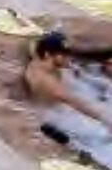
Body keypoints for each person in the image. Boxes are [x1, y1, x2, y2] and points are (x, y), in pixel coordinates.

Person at [27, 32, 112, 164]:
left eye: (68, 53)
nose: (68, 58)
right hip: (58, 115)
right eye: (63, 55)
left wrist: (79, 73)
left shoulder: (42, 57)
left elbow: (36, 45)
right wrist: (106, 120)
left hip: (67, 104)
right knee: (103, 136)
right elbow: (75, 102)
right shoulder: (46, 81)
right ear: (48, 55)